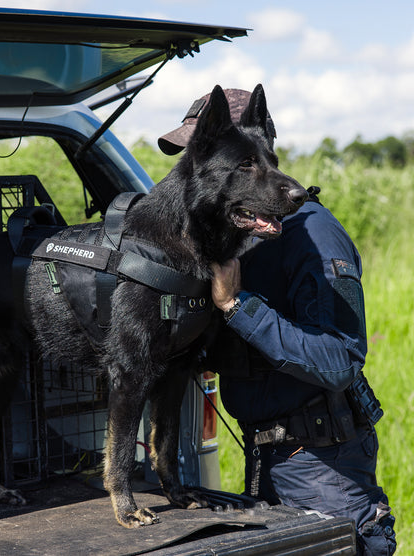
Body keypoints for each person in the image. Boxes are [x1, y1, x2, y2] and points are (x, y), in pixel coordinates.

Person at [158, 88, 396, 555]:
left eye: (209, 152)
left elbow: (340, 359)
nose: (197, 168)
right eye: (194, 154)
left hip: (322, 466)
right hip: (267, 455)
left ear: (257, 148)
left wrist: (235, 306)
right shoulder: (236, 230)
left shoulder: (314, 236)